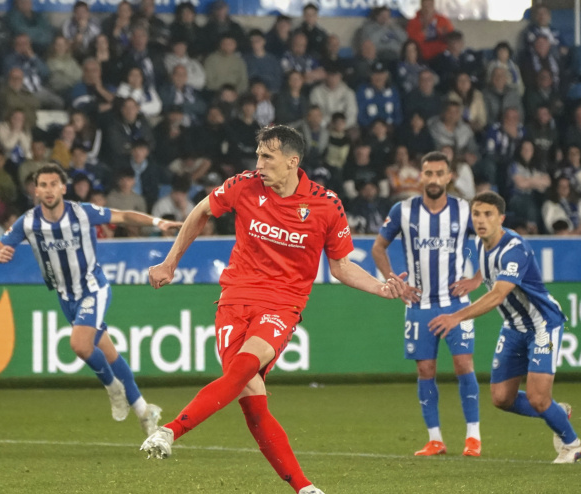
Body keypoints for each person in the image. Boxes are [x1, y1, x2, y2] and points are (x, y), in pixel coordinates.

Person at [141, 126, 410, 494]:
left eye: (267, 157)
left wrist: (380, 287)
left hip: (282, 304)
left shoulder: (326, 204)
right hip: (234, 300)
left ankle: (170, 430)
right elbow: (202, 210)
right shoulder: (245, 185)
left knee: (244, 367)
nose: (259, 164)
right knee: (252, 404)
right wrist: (170, 263)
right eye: (258, 156)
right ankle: (304, 488)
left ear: (292, 162)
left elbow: (342, 265)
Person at [0, 164, 179, 434]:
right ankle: (144, 412)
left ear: (63, 188)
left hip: (93, 289)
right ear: (36, 189)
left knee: (79, 344)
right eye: (43, 185)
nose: (48, 189)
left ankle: (113, 388)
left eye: (54, 184)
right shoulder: (28, 222)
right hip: (66, 297)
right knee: (109, 352)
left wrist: (158, 222)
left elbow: (122, 216)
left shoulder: (81, 212)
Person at [429, 191, 581, 464]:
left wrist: (457, 316)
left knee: (538, 398)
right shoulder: (480, 243)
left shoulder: (515, 249)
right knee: (502, 398)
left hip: (542, 325)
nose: (481, 220)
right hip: (514, 326)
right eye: (476, 214)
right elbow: (487, 270)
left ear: (500, 218)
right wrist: (477, 279)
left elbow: (498, 294)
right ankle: (555, 411)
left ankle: (573, 444)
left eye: (488, 214)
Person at [371, 151, 481, 457]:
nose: (433, 179)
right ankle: (436, 439)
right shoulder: (403, 211)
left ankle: (473, 437)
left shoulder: (464, 210)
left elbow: (492, 240)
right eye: (428, 173)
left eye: (439, 173)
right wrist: (396, 282)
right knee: (426, 370)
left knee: (464, 364)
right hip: (419, 304)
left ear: (449, 177)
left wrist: (477, 279)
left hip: (456, 304)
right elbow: (378, 248)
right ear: (421, 176)